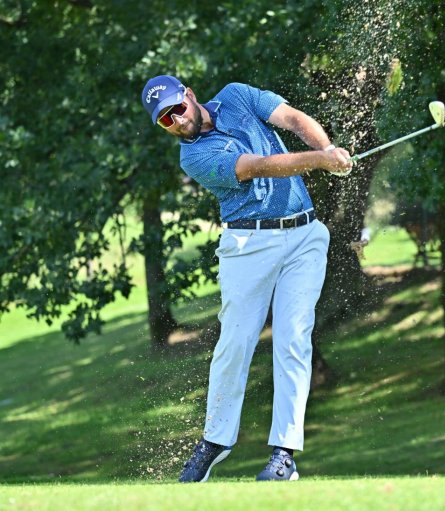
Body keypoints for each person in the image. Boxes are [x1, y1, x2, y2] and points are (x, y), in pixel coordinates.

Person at [140, 75, 352, 482]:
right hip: (248, 246)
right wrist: (319, 161)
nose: (176, 121)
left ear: (189, 95)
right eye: (165, 120)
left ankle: (284, 455)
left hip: (305, 235)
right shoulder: (194, 158)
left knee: (293, 338)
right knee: (235, 344)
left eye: (176, 108)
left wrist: (325, 147)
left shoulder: (237, 96)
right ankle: (216, 440)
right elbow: (258, 167)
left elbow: (291, 118)